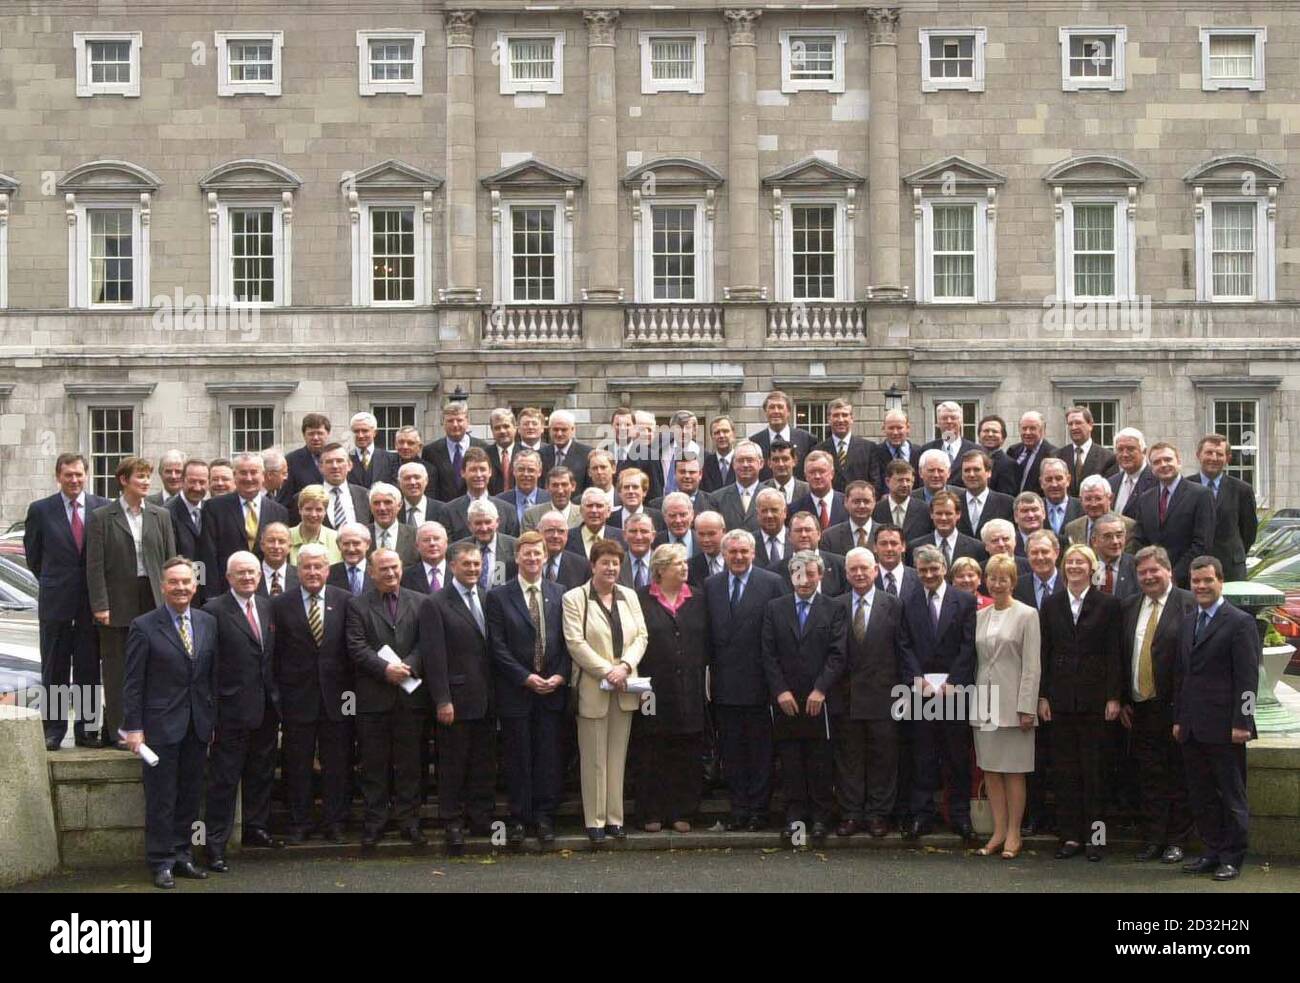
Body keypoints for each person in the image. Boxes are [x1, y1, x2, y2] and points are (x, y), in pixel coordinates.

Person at [121, 557, 216, 889]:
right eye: (173, 582)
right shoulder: (144, 625)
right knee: (162, 797)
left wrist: (212, 719)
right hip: (159, 727)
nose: (180, 588)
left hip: (197, 725)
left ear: (194, 585)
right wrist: (133, 728)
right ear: (162, 586)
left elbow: (210, 678)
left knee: (190, 795)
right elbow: (133, 683)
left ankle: (182, 855)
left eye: (186, 582)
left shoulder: (207, 622)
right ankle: (160, 861)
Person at [1175, 555, 1261, 882]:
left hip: (1227, 728)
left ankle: (1232, 857)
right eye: (1196, 581)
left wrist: (1243, 722)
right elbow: (1183, 676)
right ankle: (1210, 852)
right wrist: (1180, 719)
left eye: (1207, 580)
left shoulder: (1239, 622)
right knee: (1202, 794)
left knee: (1231, 794)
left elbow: (1248, 679)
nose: (1201, 586)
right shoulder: (1188, 621)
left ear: (1220, 581)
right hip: (1193, 726)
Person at [345, 548, 435, 848]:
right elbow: (356, 646)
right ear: (371, 572)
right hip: (374, 698)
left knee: (410, 764)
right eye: (383, 569)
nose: (390, 573)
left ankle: (409, 822)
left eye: (394, 567)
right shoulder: (357, 605)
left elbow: (427, 643)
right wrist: (386, 669)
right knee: (374, 765)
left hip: (410, 697)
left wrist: (407, 666)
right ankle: (375, 822)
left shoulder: (421, 602)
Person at [1039, 544, 1123, 861]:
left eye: (1081, 562)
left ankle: (1096, 839)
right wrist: (1042, 695)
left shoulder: (1108, 604)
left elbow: (1115, 653)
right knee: (1065, 773)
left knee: (1095, 774)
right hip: (1060, 701)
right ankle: (1070, 837)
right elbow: (1045, 651)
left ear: (1091, 568)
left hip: (1095, 701)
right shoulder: (1051, 604)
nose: (1074, 566)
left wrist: (1114, 696)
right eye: (1070, 562)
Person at [86, 457, 177, 749]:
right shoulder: (102, 517)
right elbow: (94, 566)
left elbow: (170, 560)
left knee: (156, 666)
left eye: (148, 477)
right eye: (140, 476)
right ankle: (119, 732)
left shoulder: (160, 515)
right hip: (117, 601)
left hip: (153, 597)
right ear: (124, 480)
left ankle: (151, 728)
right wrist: (101, 605)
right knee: (117, 669)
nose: (146, 482)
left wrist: (172, 600)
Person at [562, 538, 648, 845]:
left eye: (615, 563)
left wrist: (624, 666)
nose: (610, 568)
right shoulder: (575, 598)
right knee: (593, 757)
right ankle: (594, 820)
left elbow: (641, 636)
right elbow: (575, 643)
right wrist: (606, 670)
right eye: (605, 562)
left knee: (617, 756)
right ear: (593, 565)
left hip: (625, 685)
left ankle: (615, 819)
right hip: (593, 687)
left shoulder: (629, 596)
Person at [486, 532, 569, 846]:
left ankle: (545, 817)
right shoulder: (498, 596)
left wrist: (560, 676)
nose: (533, 559)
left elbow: (569, 641)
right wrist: (525, 677)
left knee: (548, 756)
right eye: (527, 554)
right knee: (517, 757)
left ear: (545, 557)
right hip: (516, 691)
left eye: (538, 554)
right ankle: (519, 818)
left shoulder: (560, 593)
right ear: (516, 558)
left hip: (552, 690)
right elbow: (497, 646)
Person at [761, 550, 847, 844]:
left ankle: (821, 818)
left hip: (819, 699)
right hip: (786, 699)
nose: (805, 579)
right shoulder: (775, 608)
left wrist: (821, 689)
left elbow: (838, 654)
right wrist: (780, 690)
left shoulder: (833, 608)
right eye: (799, 573)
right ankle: (794, 818)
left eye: (811, 573)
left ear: (820, 575)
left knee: (820, 761)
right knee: (791, 761)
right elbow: (768, 654)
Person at [24, 453, 109, 749]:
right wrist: (56, 582)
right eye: (68, 475)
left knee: (88, 668)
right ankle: (54, 730)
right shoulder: (41, 510)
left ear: (87, 475)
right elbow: (34, 557)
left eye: (78, 474)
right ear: (58, 476)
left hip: (91, 604)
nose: (74, 480)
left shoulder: (103, 508)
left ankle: (86, 730)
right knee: (55, 667)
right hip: (56, 604)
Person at [202, 552, 281, 870]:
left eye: (252, 572)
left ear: (259, 576)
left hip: (265, 706)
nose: (248, 578)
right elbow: (209, 664)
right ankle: (215, 846)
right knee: (224, 780)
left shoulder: (266, 606)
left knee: (261, 772)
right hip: (230, 710)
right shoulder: (213, 610)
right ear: (228, 577)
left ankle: (256, 828)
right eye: (241, 573)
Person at [272, 543, 354, 844]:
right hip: (297, 698)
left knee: (337, 763)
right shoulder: (281, 604)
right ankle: (300, 821)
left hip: (338, 699)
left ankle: (335, 821)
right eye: (306, 567)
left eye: (318, 566)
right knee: (297, 763)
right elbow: (275, 654)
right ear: (298, 569)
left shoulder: (345, 601)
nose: (312, 572)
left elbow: (352, 649)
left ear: (327, 570)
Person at [1120, 545, 1197, 864]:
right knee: (1148, 776)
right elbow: (1122, 656)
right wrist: (1124, 698)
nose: (1149, 577)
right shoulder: (1129, 606)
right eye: (1143, 572)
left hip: (1176, 707)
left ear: (1169, 571)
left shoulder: (1189, 604)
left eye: (1154, 570)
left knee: (1178, 774)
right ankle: (1153, 838)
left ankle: (1177, 840)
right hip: (1141, 708)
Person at [705, 529, 786, 831]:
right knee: (732, 753)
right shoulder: (711, 585)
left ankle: (758, 811)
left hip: (760, 686)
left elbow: (778, 635)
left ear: (753, 553)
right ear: (723, 555)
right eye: (732, 552)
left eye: (743, 552)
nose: (738, 557)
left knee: (760, 752)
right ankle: (738, 808)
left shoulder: (772, 583)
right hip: (725, 686)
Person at [899, 544, 978, 841]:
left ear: (944, 569)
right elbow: (903, 644)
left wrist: (954, 681)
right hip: (921, 693)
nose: (929, 575)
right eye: (923, 570)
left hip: (954, 692)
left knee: (956, 756)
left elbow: (969, 646)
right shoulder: (908, 602)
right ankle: (922, 815)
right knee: (923, 754)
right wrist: (915, 679)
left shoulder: (965, 601)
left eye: (934, 569)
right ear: (917, 572)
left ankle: (960, 816)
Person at [831, 547, 908, 838]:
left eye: (865, 568)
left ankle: (878, 814)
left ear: (875, 570)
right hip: (846, 696)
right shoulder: (835, 605)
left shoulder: (894, 605)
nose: (860, 574)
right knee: (848, 758)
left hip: (884, 696)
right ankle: (851, 813)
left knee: (883, 758)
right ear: (846, 573)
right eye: (854, 569)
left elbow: (902, 651)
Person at [634, 544, 710, 832]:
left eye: (684, 563)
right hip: (652, 688)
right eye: (677, 563)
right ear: (661, 568)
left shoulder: (698, 598)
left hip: (689, 687)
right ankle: (651, 811)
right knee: (652, 748)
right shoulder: (641, 598)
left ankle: (683, 811)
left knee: (687, 749)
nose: (684, 567)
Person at [428, 541, 498, 850]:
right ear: (452, 566)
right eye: (466, 564)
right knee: (454, 763)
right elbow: (434, 656)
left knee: (483, 762)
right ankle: (452, 821)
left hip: (487, 697)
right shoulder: (436, 603)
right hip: (455, 699)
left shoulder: (487, 597)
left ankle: (481, 817)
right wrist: (442, 699)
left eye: (477, 564)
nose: (473, 569)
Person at [970, 554, 1040, 860]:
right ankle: (998, 831)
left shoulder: (1027, 614)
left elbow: (1032, 665)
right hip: (984, 705)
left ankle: (1014, 833)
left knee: (1014, 773)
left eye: (1004, 579)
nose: (997, 584)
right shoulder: (981, 615)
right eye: (992, 578)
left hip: (1014, 705)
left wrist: (1027, 706)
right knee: (991, 771)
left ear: (1013, 582)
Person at [202, 451, 290, 593]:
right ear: (234, 476)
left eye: (254, 472)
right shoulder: (214, 508)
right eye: (243, 473)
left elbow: (283, 555)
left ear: (263, 476)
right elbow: (208, 555)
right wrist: (211, 594)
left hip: (265, 592)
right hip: (225, 591)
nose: (249, 478)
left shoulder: (279, 512)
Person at [1132, 442, 1215, 588]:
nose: (1163, 465)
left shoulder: (1201, 495)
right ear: (1151, 468)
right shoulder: (1145, 499)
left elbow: (1202, 543)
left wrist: (1173, 575)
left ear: (1179, 461)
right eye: (1157, 462)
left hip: (1187, 582)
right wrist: (1152, 572)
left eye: (1168, 459)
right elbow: (1140, 541)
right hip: (1153, 580)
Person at [1193, 434, 1258, 582]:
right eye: (1209, 453)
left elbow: (1249, 532)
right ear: (1198, 455)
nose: (1214, 458)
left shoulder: (1242, 490)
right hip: (1194, 567)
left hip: (1231, 569)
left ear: (1227, 458)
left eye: (1219, 454)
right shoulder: (1185, 486)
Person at [167, 459, 216, 604]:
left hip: (209, 594)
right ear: (182, 481)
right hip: (180, 591)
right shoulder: (167, 513)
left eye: (202, 482)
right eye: (192, 481)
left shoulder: (212, 510)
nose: (197, 487)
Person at [422, 400, 490, 503]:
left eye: (459, 420)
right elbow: (430, 487)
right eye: (450, 421)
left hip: (478, 508)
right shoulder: (430, 451)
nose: (455, 425)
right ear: (443, 422)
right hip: (444, 511)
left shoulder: (483, 447)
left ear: (467, 421)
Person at [749, 389, 817, 479]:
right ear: (765, 412)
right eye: (772, 407)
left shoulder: (807, 440)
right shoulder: (754, 442)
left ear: (789, 411)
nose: (776, 411)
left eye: (780, 407)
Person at [816, 397, 879, 492]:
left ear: (852, 419)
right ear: (829, 419)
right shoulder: (818, 450)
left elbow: (875, 483)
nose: (840, 420)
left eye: (845, 415)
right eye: (836, 415)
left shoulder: (869, 448)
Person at [1055, 405, 1118, 496]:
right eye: (1070, 424)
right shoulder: (1058, 456)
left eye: (1078, 423)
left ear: (1090, 425)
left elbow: (1109, 492)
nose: (1073, 427)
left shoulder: (1108, 458)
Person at [1063, 475, 1136, 552]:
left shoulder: (1128, 526)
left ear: (1110, 498)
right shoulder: (1072, 528)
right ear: (1081, 501)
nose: (1093, 504)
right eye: (1088, 499)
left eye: (1098, 498)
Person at [957, 449, 1015, 539]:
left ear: (988, 472)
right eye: (967, 470)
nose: (971, 474)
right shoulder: (954, 503)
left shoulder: (1007, 504)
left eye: (976, 470)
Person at [920, 401, 980, 487]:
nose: (949, 421)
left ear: (961, 421)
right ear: (938, 422)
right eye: (944, 418)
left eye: (953, 418)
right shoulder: (926, 450)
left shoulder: (976, 451)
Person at [873, 459, 932, 542]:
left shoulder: (924, 510)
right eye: (900, 480)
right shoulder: (876, 510)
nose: (905, 485)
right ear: (887, 481)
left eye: (908, 480)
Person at [317, 442, 373, 530]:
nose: (335, 466)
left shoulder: (365, 495)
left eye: (340, 461)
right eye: (329, 462)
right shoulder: (306, 497)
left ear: (350, 465)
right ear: (320, 467)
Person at [713, 440, 765, 532]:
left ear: (761, 463)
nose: (745, 465)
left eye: (750, 460)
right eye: (740, 460)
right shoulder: (717, 498)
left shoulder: (772, 496)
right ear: (733, 464)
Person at [869, 409, 921, 498]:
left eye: (899, 428)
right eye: (891, 428)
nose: (895, 432)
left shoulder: (919, 452)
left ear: (908, 428)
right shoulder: (874, 452)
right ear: (883, 429)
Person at [790, 450, 848, 530]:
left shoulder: (847, 504)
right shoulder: (795, 509)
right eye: (812, 472)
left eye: (822, 471)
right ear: (805, 476)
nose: (817, 476)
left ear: (832, 473)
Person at [1005, 410, 1056, 497]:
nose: (1027, 433)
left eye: (1032, 428)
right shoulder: (1013, 451)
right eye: (1024, 428)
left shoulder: (1053, 454)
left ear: (1042, 430)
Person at [540, 409, 593, 491]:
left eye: (564, 430)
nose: (559, 434)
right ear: (549, 430)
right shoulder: (540, 454)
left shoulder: (587, 454)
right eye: (555, 429)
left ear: (572, 430)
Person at [284, 412, 331, 502]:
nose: (315, 438)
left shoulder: (338, 459)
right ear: (304, 435)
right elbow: (285, 500)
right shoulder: (291, 461)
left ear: (328, 434)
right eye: (311, 434)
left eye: (320, 433)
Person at [1110, 427, 1156, 519]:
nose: (1125, 454)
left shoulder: (1157, 481)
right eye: (1120, 449)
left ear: (1144, 451)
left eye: (1130, 449)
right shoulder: (1111, 482)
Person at [822, 480, 877, 555]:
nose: (862, 506)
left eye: (866, 501)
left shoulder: (885, 535)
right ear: (846, 502)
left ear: (874, 503)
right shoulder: (829, 537)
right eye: (856, 501)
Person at [369, 482, 418, 566]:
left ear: (399, 505)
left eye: (388, 502)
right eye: (376, 503)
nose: (382, 508)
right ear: (370, 507)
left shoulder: (416, 535)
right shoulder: (362, 535)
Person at [538, 510, 592, 589]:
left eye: (561, 531)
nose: (555, 536)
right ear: (539, 533)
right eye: (550, 530)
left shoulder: (582, 566)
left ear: (567, 535)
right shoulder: (526, 563)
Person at [566, 487, 625, 559]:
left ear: (608, 511)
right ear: (581, 510)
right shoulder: (567, 538)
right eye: (589, 506)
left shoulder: (622, 538)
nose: (594, 510)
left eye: (599, 506)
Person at [290, 485, 341, 565]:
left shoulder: (336, 539)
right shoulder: (286, 537)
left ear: (325, 512)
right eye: (308, 509)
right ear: (300, 509)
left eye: (319, 510)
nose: (313, 514)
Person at [495, 447, 544, 530]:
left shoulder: (549, 500)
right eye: (521, 469)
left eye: (531, 470)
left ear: (539, 472)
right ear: (514, 471)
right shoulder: (499, 502)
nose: (525, 474)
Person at [348, 412, 400, 488]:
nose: (360, 435)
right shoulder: (345, 459)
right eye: (356, 431)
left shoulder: (391, 459)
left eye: (365, 431)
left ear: (374, 433)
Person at [523, 466, 580, 530]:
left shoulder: (583, 515)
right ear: (547, 488)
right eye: (555, 485)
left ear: (573, 486)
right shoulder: (532, 515)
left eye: (564, 485)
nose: (560, 491)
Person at [401, 521, 450, 594]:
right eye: (426, 540)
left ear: (446, 543)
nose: (432, 543)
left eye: (436, 539)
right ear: (417, 546)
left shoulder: (459, 572)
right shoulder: (405, 576)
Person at [978, 414, 1020, 496]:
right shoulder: (971, 461)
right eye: (986, 431)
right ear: (979, 436)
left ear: (1003, 438)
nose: (990, 434)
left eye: (995, 431)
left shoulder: (1009, 465)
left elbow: (1007, 497)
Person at [329, 523, 373, 596]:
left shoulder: (378, 572)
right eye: (346, 544)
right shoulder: (328, 574)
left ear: (368, 544)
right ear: (338, 545)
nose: (351, 549)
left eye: (356, 543)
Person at [485, 407, 518, 495]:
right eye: (497, 428)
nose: (502, 431)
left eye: (506, 426)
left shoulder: (526, 454)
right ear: (492, 430)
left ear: (515, 428)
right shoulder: (485, 455)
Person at [702, 415, 737, 492]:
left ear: (734, 434)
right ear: (712, 437)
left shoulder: (743, 461)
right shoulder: (704, 464)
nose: (721, 436)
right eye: (717, 433)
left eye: (725, 431)